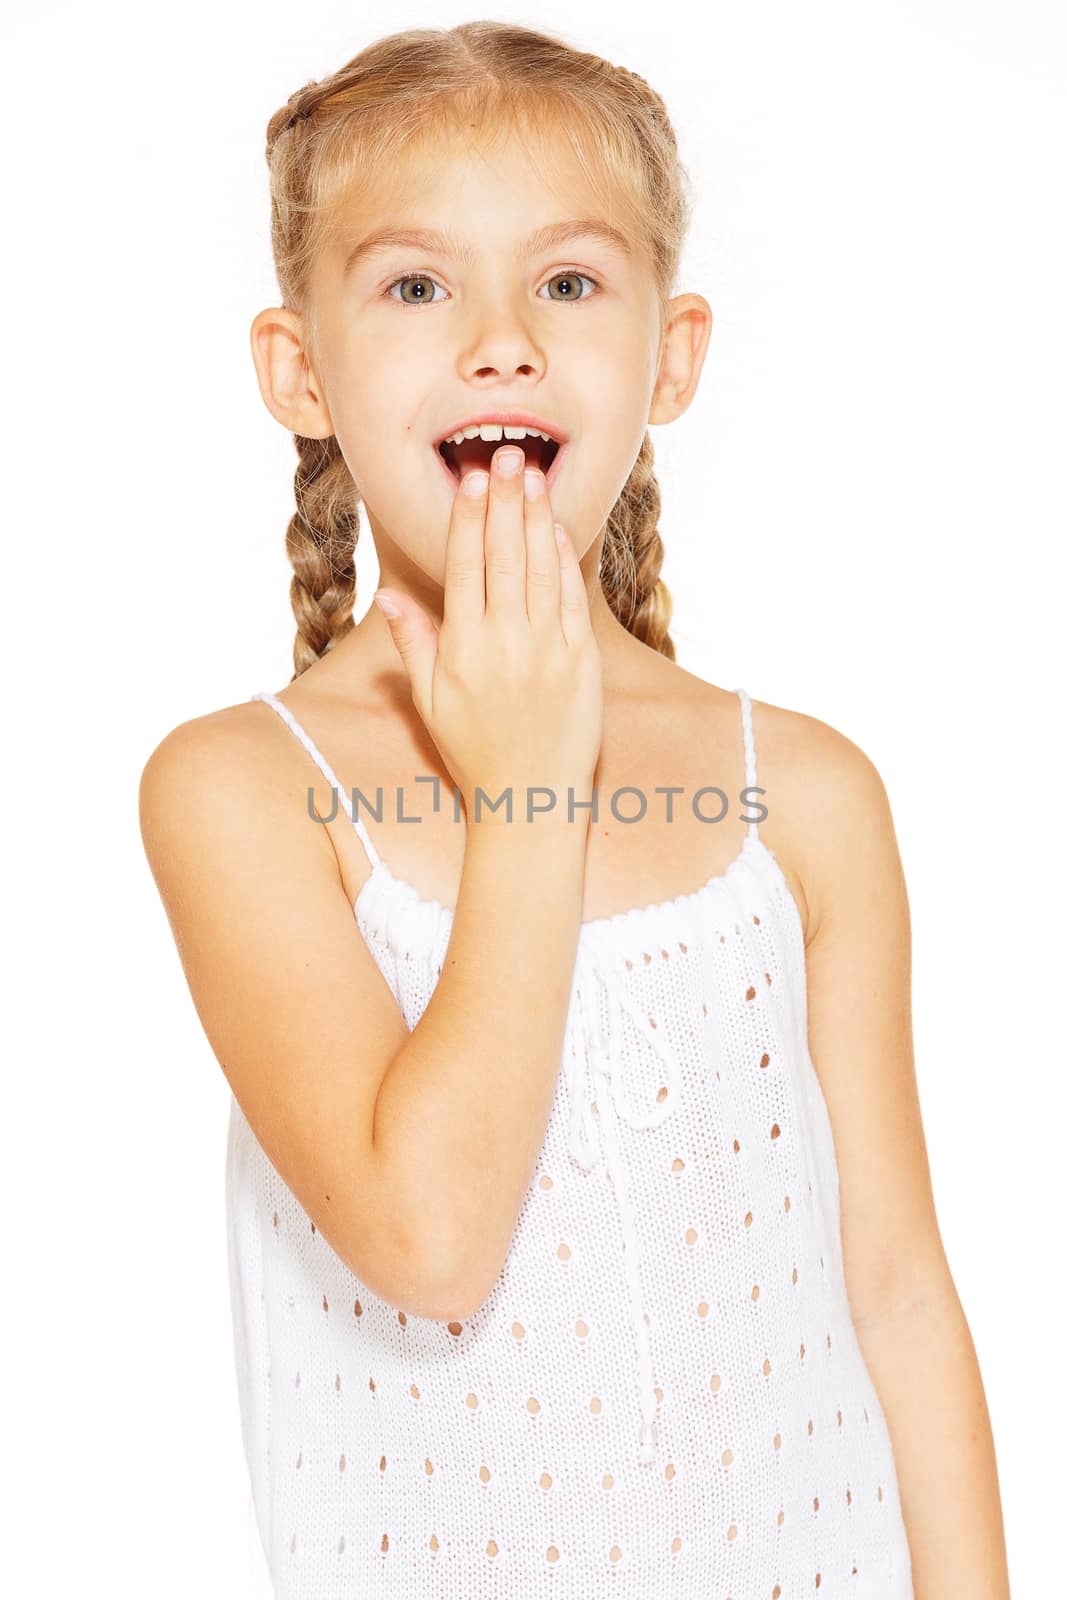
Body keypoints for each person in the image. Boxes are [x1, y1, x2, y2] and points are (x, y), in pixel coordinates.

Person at [138, 20, 1010, 1599]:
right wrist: (529, 781)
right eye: (415, 286)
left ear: (671, 357)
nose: (500, 340)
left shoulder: (802, 794)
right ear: (300, 373)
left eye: (567, 282)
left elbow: (895, 1293)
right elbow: (428, 1241)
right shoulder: (248, 791)